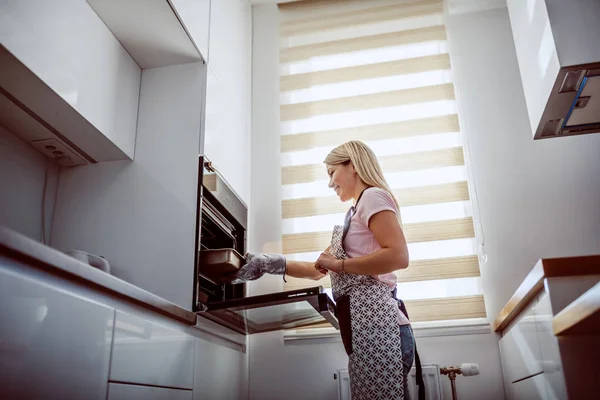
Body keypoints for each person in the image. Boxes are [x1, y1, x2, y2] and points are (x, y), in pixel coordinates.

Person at [232, 141, 415, 400]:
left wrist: (338, 264)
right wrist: (268, 263)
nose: (330, 183)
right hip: (364, 328)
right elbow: (319, 268)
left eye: (331, 172)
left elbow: (398, 256)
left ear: (353, 165)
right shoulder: (353, 214)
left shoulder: (373, 197)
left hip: (380, 327)